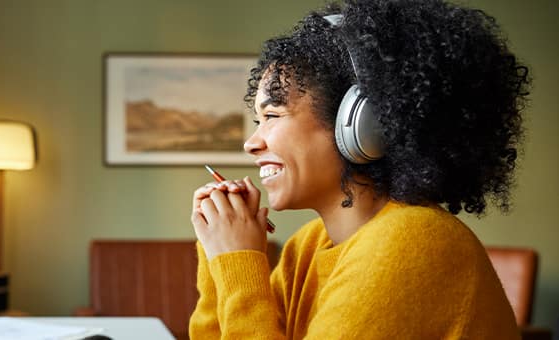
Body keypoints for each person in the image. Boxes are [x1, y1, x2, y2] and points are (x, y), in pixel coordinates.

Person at [189, 0, 529, 338]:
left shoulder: (412, 241)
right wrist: (219, 254)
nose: (251, 143)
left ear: (361, 123)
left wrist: (240, 261)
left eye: (273, 116)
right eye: (257, 120)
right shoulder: (308, 246)